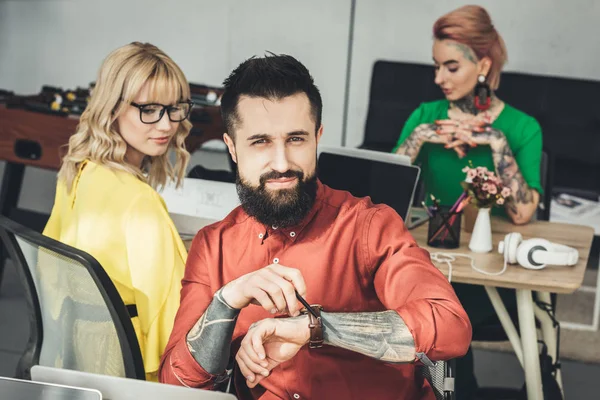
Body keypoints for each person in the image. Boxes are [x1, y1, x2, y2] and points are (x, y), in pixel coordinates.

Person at [159, 54, 471, 399]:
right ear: (232, 147)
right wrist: (227, 300)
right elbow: (176, 385)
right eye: (260, 142)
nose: (281, 163)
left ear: (317, 137)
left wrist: (315, 328)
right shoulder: (213, 244)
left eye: (296, 139)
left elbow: (451, 326)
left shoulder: (369, 226)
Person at [393, 5, 544, 398]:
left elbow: (523, 213)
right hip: (430, 268)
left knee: (442, 318)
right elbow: (387, 197)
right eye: (435, 66)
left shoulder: (522, 128)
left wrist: (495, 142)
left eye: (451, 67)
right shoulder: (425, 116)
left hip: (490, 279)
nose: (438, 77)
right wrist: (421, 137)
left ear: (483, 65)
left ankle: (451, 390)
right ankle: (447, 390)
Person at [43, 42, 192, 380]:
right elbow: (176, 319)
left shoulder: (78, 171)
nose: (167, 125)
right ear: (113, 109)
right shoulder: (141, 203)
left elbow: (49, 271)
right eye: (149, 109)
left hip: (74, 357)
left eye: (174, 108)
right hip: (131, 371)